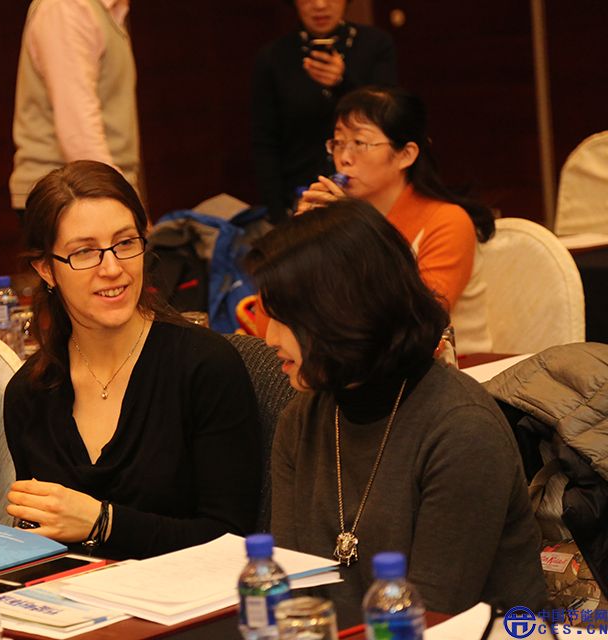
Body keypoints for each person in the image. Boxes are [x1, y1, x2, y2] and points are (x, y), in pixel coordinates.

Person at [249, 199, 546, 627]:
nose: (269, 338)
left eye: (284, 319)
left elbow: (433, 615)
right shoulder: (301, 420)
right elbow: (294, 593)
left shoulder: (461, 430)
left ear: (343, 314)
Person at [3, 160, 262, 559]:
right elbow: (40, 542)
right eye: (84, 252)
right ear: (46, 270)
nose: (112, 269)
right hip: (67, 594)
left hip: (191, 593)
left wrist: (104, 523)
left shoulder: (204, 365)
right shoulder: (30, 392)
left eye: (125, 243)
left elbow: (231, 538)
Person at [298, 85, 495, 354]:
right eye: (338, 143)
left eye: (360, 143)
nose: (344, 159)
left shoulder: (448, 221)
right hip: (352, 364)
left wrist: (349, 230)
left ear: (406, 154)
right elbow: (277, 321)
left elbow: (414, 323)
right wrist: (301, 239)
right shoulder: (341, 220)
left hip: (450, 368)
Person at [251, 0, 396, 224]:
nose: (320, 5)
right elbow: (264, 141)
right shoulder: (273, 56)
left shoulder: (376, 44)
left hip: (368, 188)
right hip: (301, 192)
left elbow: (388, 116)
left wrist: (342, 82)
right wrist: (277, 214)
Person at [8, 0, 140, 213]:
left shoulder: (107, 9)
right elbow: (79, 135)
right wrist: (122, 206)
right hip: (67, 200)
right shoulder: (68, 7)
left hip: (96, 193)